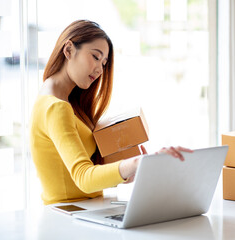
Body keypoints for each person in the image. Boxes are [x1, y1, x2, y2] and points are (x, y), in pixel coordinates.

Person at [29, 20, 193, 205]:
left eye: (104, 63)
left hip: (83, 209)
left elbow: (80, 175)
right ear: (68, 50)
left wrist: (128, 172)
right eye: (95, 57)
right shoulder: (56, 107)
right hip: (70, 215)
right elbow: (84, 177)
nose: (100, 69)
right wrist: (137, 163)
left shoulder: (60, 101)